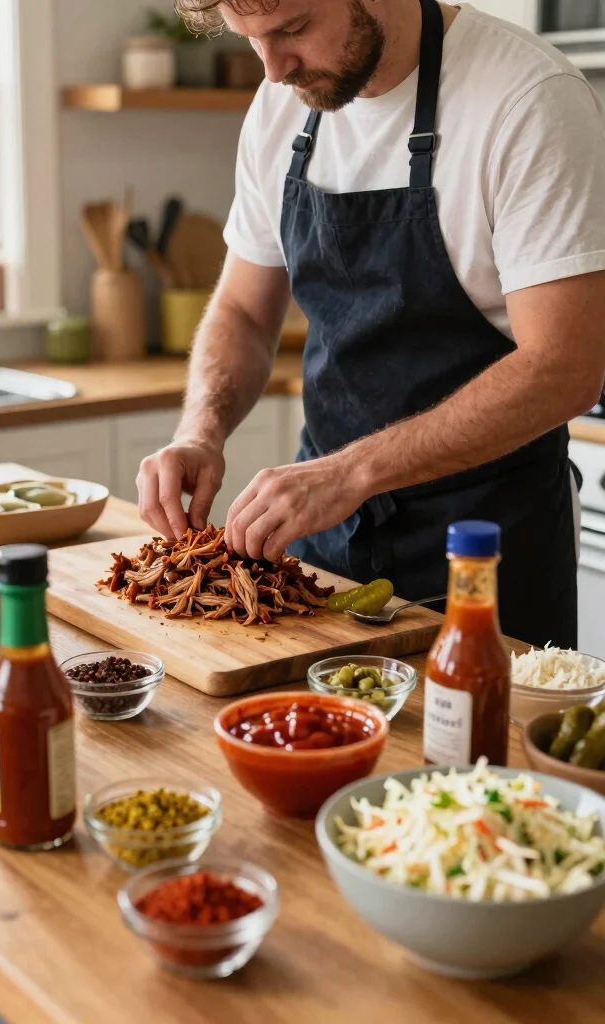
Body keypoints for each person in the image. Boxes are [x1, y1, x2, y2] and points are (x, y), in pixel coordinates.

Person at [136, 0, 605, 648]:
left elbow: (566, 366)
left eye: (293, 30)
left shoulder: (527, 100)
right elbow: (244, 311)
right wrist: (200, 430)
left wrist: (352, 473)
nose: (273, 71)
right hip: (321, 547)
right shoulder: (281, 109)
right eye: (253, 42)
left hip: (483, 554)